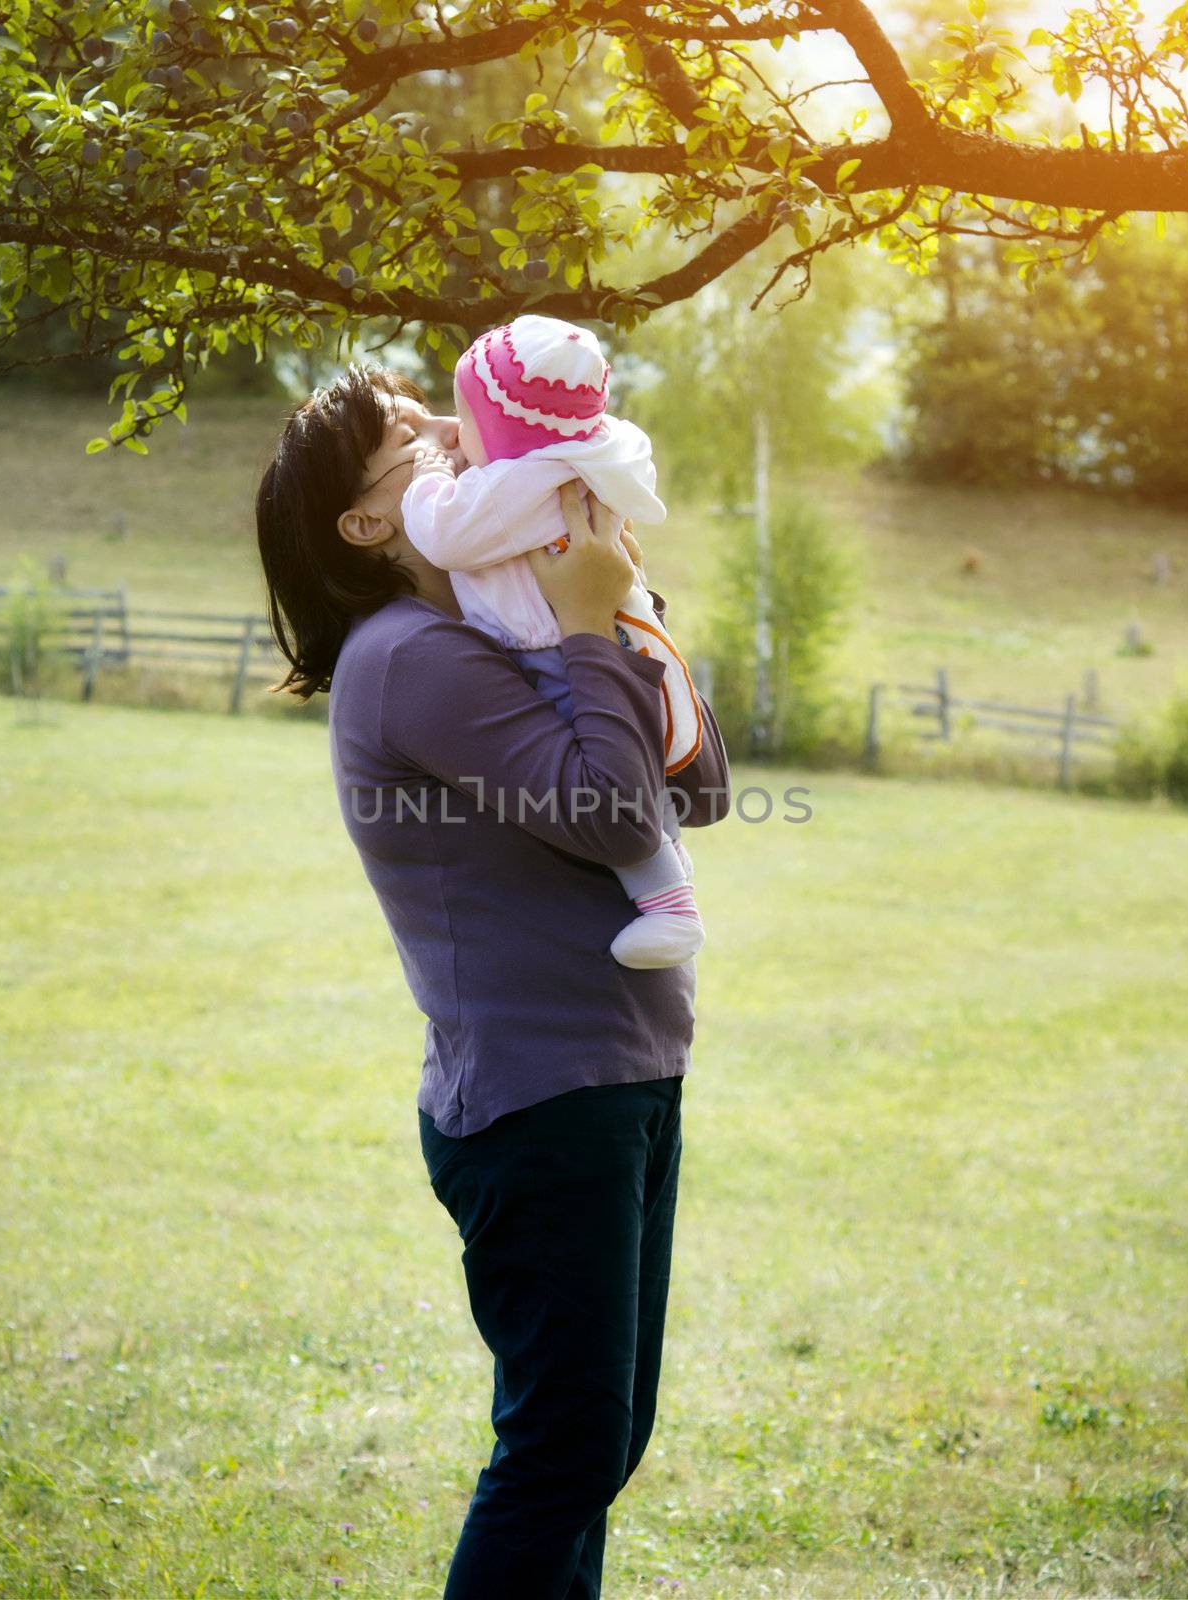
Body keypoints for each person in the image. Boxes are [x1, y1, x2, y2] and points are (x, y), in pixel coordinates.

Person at [254, 362, 731, 1600]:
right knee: (563, 1448)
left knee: (597, 1447)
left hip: (619, 1076)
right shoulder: (408, 655)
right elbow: (614, 805)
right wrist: (582, 628)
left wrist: (620, 604)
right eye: (408, 437)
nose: (453, 434)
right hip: (540, 1102)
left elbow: (701, 787)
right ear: (365, 525)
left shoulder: (488, 621)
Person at [401, 313, 706, 969]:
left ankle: (669, 905)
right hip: (614, 626)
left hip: (554, 644)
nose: (456, 434)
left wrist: (425, 471)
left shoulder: (524, 482)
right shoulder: (593, 450)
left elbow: (446, 535)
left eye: (463, 418)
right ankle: (668, 862)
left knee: (602, 777)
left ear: (505, 428)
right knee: (632, 764)